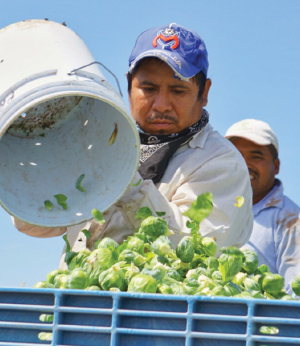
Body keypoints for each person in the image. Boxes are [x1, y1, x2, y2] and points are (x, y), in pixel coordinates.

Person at [13, 23, 253, 269]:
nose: (161, 104)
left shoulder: (219, 162)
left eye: (178, 90)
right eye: (148, 88)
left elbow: (193, 249)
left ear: (204, 93)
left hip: (162, 307)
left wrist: (122, 173)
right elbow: (32, 223)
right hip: (79, 302)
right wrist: (35, 164)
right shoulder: (98, 143)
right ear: (129, 85)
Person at [225, 119, 300, 294]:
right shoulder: (214, 208)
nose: (244, 165)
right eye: (235, 156)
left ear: (276, 166)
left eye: (256, 157)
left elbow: (295, 294)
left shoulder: (291, 220)